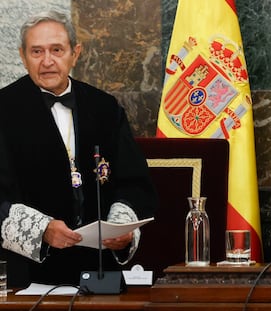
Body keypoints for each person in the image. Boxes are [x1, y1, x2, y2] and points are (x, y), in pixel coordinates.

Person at [0, 11, 158, 287]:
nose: (47, 61)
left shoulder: (105, 108)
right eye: (37, 51)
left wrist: (121, 230)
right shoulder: (3, 109)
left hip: (99, 272)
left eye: (57, 50)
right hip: (25, 277)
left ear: (76, 52)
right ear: (23, 56)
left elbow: (134, 183)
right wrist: (42, 230)